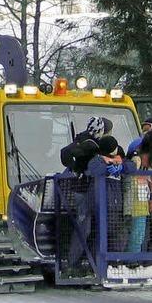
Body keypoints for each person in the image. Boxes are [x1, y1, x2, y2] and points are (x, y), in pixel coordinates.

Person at [60, 116, 104, 274]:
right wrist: (81, 170)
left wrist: (73, 168)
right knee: (85, 226)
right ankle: (74, 261)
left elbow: (64, 152)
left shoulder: (80, 139)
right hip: (85, 189)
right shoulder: (91, 145)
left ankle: (79, 259)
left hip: (78, 188)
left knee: (86, 224)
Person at [86, 136, 135, 253]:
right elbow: (94, 169)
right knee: (101, 234)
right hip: (101, 204)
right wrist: (108, 168)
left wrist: (121, 167)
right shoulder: (97, 159)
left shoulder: (118, 159)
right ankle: (99, 260)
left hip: (116, 205)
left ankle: (113, 259)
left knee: (117, 233)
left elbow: (132, 166)